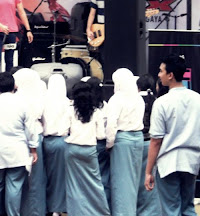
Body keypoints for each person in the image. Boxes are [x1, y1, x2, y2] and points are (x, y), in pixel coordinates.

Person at [144, 54, 200, 216]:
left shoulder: (162, 103)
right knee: (188, 208)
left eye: (161, 71)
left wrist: (148, 171)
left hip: (169, 162)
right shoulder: (199, 100)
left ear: (170, 75)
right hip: (191, 160)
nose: (159, 75)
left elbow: (156, 140)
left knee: (170, 209)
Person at [0, 71, 38, 216]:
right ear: (14, 85)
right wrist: (33, 149)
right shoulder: (22, 103)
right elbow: (31, 129)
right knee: (14, 186)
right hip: (17, 151)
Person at [65, 81, 110, 216]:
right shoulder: (96, 112)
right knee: (95, 183)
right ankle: (100, 212)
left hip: (72, 149)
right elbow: (101, 135)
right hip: (89, 150)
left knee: (74, 184)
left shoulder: (69, 110)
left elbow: (63, 130)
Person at [106, 68, 145, 216]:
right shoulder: (139, 98)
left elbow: (111, 124)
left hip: (122, 140)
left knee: (121, 182)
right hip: (138, 139)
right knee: (134, 181)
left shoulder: (116, 99)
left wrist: (109, 144)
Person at [13, 69, 46, 216]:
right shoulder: (39, 96)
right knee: (37, 178)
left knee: (17, 178)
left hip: (18, 137)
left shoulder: (16, 99)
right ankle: (36, 211)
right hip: (36, 136)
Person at [42, 74, 71, 215]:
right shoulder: (66, 102)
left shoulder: (44, 101)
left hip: (45, 141)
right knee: (59, 178)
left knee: (44, 176)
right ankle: (57, 208)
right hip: (62, 141)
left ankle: (45, 206)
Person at [136, 74, 161, 216]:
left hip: (136, 142)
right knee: (151, 177)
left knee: (136, 179)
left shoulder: (135, 100)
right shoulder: (156, 101)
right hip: (152, 144)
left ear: (138, 86)